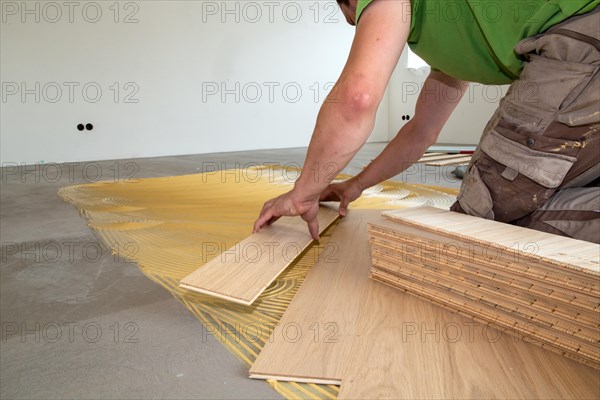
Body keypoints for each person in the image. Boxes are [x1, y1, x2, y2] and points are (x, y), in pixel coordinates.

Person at [253, 0, 600, 243]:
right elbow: (422, 131)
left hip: (581, 38)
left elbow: (355, 100)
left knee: (491, 220)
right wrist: (354, 185)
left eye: (357, 17)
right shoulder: (454, 37)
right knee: (569, 181)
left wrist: (303, 193)